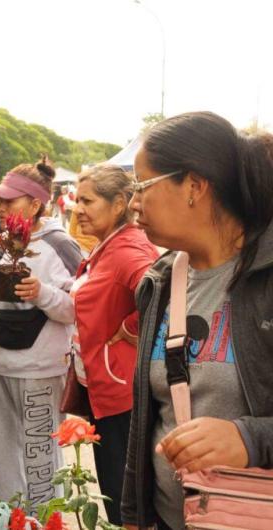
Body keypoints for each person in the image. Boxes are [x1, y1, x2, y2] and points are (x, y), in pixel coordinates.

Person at [121, 112, 273, 530]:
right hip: (174, 518)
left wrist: (249, 439)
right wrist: (133, 516)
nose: (133, 203)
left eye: (141, 186)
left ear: (194, 185)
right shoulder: (160, 281)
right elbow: (150, 418)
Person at [23, 164, 159, 524]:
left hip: (122, 392)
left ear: (118, 205)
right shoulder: (107, 247)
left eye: (88, 200)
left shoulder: (128, 250)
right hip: (105, 387)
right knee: (115, 490)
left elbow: (167, 294)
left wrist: (131, 329)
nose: (77, 208)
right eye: (77, 200)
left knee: (122, 498)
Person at [0, 158, 82, 510]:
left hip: (36, 371)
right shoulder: (4, 240)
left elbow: (78, 308)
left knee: (39, 462)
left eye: (9, 201)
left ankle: (44, 521)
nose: (0, 207)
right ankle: (7, 518)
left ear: (35, 203)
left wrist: (42, 292)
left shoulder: (60, 244)